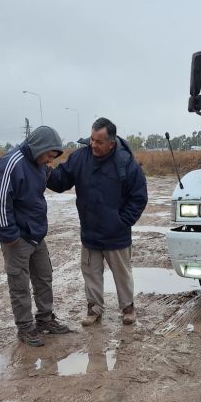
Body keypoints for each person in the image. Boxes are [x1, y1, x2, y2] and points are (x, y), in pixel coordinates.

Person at [46, 117, 148, 326]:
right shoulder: (80, 157)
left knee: (122, 274)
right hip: (90, 231)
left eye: (98, 142)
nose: (93, 144)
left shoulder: (126, 163)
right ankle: (94, 310)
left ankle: (127, 308)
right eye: (92, 139)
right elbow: (60, 180)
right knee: (91, 274)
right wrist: (42, 168)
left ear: (111, 143)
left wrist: (122, 222)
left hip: (117, 233)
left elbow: (139, 197)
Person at [0, 126, 71, 346]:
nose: (49, 161)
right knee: (20, 284)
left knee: (44, 277)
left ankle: (44, 319)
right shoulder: (10, 164)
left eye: (53, 157)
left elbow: (53, 183)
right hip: (17, 237)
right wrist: (9, 236)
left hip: (36, 235)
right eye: (48, 156)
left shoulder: (40, 164)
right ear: (38, 147)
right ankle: (25, 328)